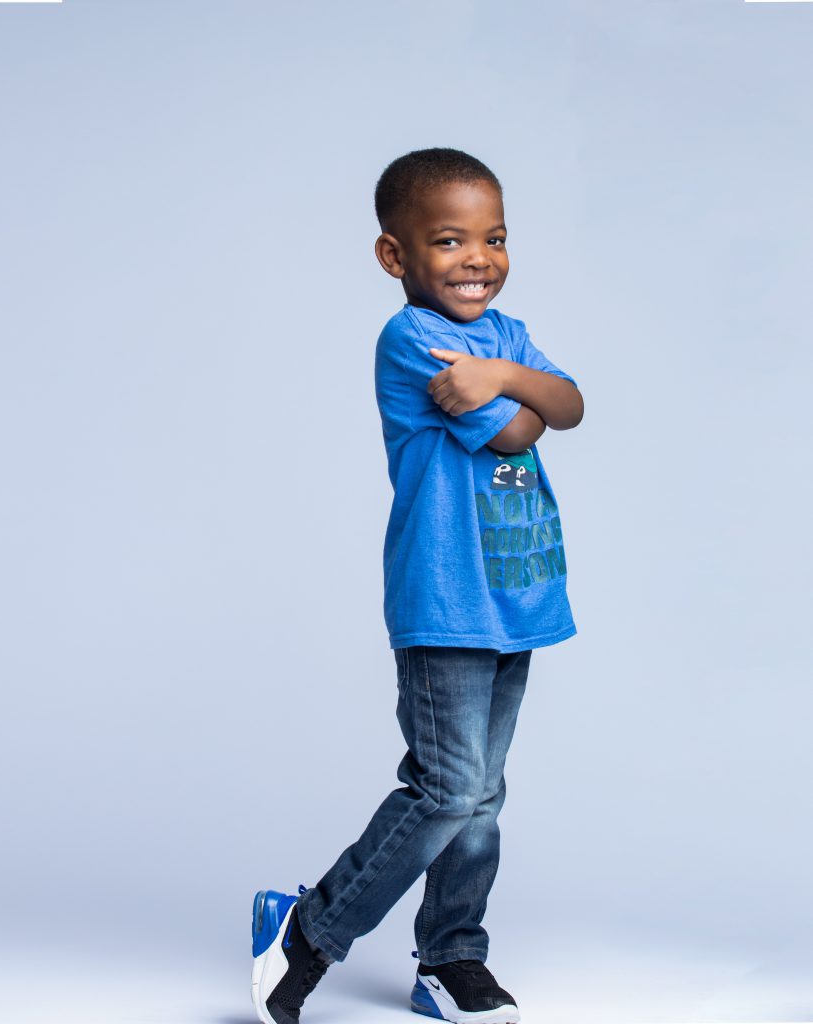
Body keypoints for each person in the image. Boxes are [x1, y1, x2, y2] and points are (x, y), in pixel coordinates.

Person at [250, 147, 584, 1024]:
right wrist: (524, 395)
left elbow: (571, 402)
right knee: (446, 788)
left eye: (495, 237)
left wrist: (508, 375)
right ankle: (307, 932)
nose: (478, 258)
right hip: (445, 600)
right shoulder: (411, 338)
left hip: (516, 595)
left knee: (481, 796)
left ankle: (450, 959)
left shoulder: (501, 338)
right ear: (394, 256)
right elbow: (520, 433)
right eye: (449, 240)